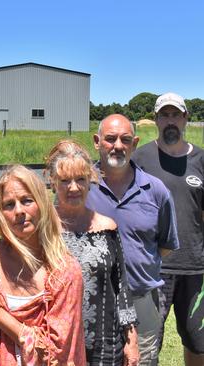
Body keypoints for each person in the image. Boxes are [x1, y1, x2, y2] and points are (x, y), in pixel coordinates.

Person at [0, 165, 86, 365]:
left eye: (27, 201)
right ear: (0, 213)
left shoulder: (64, 272)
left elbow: (56, 354)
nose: (19, 211)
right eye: (9, 205)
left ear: (42, 203)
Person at [86, 114, 179, 366]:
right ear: (97, 141)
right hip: (92, 303)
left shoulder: (156, 190)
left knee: (143, 360)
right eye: (110, 138)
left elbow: (166, 245)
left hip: (142, 299)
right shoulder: (80, 188)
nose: (118, 145)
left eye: (125, 139)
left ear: (135, 144)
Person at [45, 140, 139, 365]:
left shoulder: (107, 227)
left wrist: (132, 339)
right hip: (55, 343)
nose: (74, 187)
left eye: (80, 179)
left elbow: (121, 286)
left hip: (105, 345)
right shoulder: (42, 229)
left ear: (90, 181)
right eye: (65, 181)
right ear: (53, 183)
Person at [132, 92, 204, 365]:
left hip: (195, 268)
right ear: (156, 120)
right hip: (152, 268)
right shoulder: (139, 159)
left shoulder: (201, 159)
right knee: (146, 342)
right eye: (165, 115)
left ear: (186, 118)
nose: (170, 121)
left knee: (198, 343)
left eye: (176, 114)